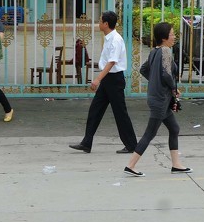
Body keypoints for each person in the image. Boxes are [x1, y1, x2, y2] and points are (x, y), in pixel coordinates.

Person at [124, 22, 190, 177]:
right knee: (150, 133)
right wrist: (173, 87)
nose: (174, 37)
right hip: (161, 99)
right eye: (172, 34)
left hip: (159, 98)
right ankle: (131, 164)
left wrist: (156, 82)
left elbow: (143, 69)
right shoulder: (166, 51)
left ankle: (176, 164)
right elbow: (167, 74)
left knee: (174, 129)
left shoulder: (154, 51)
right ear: (164, 37)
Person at [69, 10, 138, 154]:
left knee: (120, 113)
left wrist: (97, 79)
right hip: (108, 80)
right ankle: (87, 143)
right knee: (95, 110)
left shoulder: (115, 40)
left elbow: (112, 62)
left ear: (106, 24)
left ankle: (132, 145)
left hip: (114, 80)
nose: (99, 23)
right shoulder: (109, 38)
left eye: (100, 21)